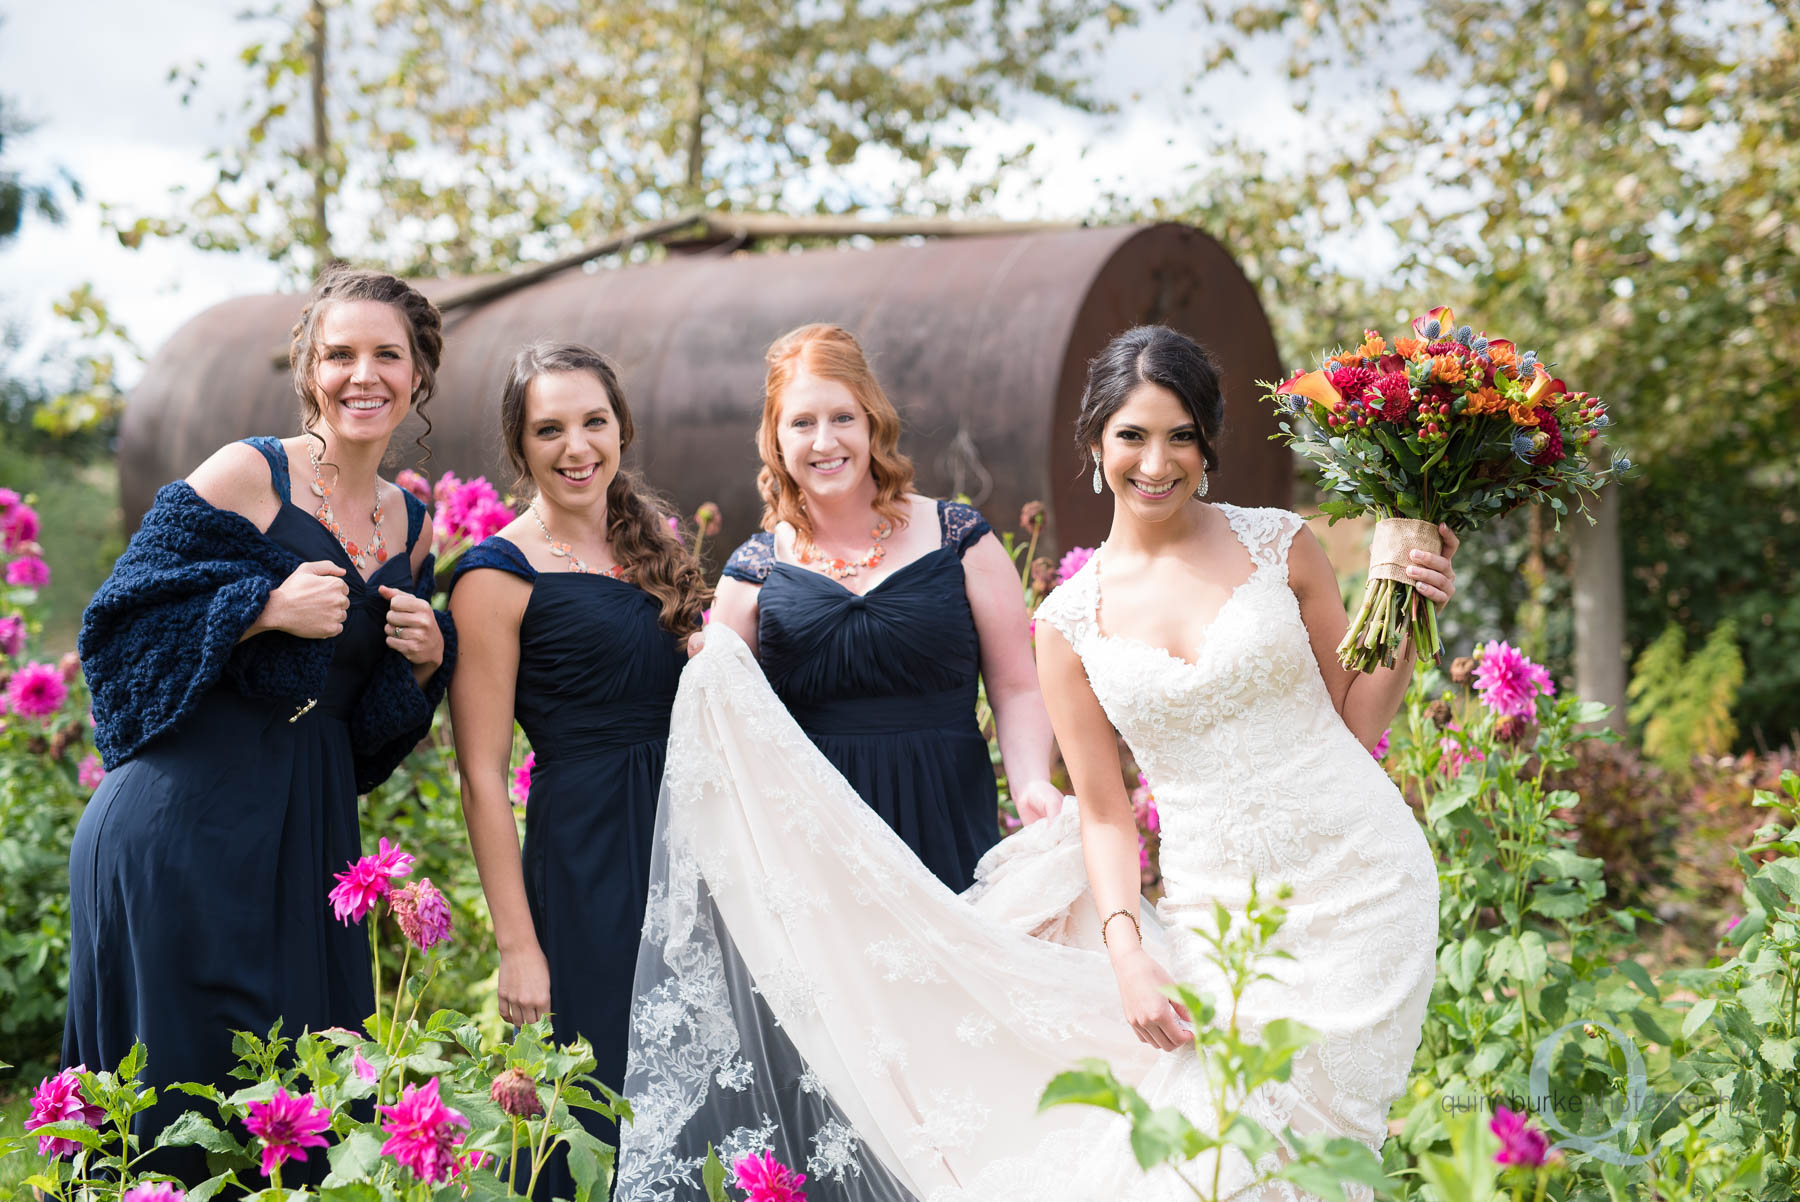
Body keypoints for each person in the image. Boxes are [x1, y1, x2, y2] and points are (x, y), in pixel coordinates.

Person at [616, 324, 1456, 1202]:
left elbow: (1357, 722)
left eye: (1180, 436)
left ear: (1208, 444)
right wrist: (1127, 948)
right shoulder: (1070, 619)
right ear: (1096, 443)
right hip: (1219, 915)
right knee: (1225, 1160)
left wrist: (1405, 597)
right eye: (1132, 435)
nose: (1156, 462)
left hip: (1364, 885)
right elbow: (1103, 809)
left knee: (1325, 1157)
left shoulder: (1284, 545)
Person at [67, 265, 455, 1185]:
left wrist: (426, 662)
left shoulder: (414, 522)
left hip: (307, 833)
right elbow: (114, 631)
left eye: (387, 355)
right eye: (340, 354)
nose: (364, 375)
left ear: (419, 374)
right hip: (181, 824)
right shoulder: (249, 474)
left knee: (301, 1113)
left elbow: (365, 739)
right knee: (179, 1107)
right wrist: (257, 608)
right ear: (308, 369)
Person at [448, 342, 707, 1196]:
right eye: (548, 429)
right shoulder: (497, 576)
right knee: (600, 1104)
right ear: (519, 449)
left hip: (692, 847)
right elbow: (483, 776)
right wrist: (518, 948)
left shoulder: (655, 552)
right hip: (588, 854)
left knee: (701, 1090)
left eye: (593, 422)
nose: (576, 447)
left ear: (621, 429)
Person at [710, 323, 1062, 892]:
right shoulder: (752, 575)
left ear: (873, 422)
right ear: (774, 440)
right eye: (802, 423)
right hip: (816, 857)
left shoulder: (960, 540)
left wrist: (1029, 786)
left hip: (949, 827)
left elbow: (1018, 687)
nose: (825, 442)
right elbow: (723, 732)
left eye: (842, 418)